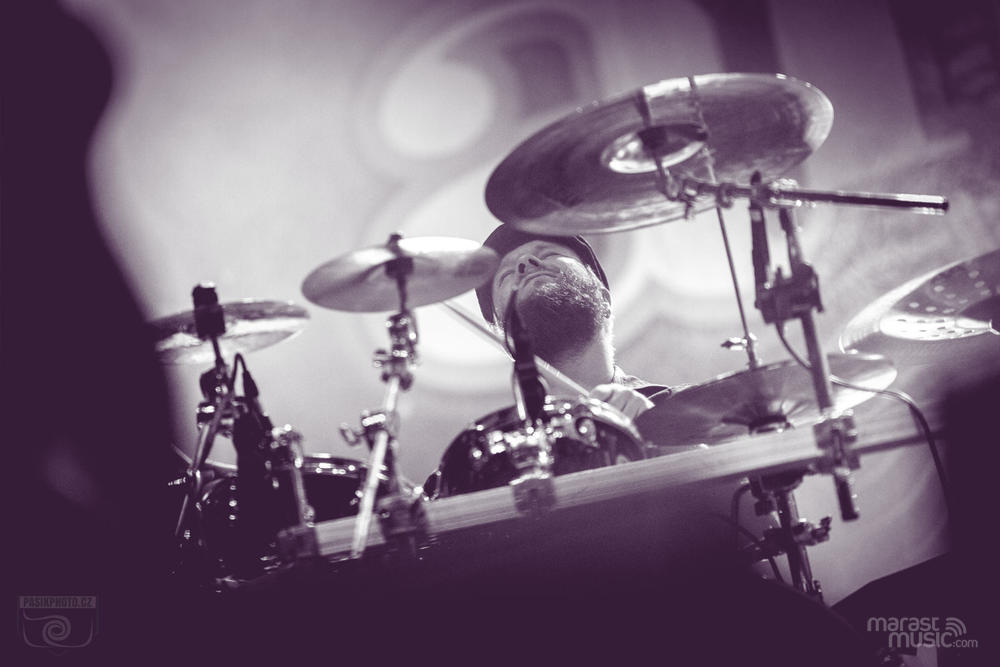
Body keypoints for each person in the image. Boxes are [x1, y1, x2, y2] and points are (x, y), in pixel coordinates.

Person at [474, 224, 671, 420]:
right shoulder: (504, 439)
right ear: (502, 337)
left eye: (549, 254)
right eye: (506, 275)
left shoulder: (681, 409)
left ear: (604, 300)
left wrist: (662, 427)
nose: (525, 262)